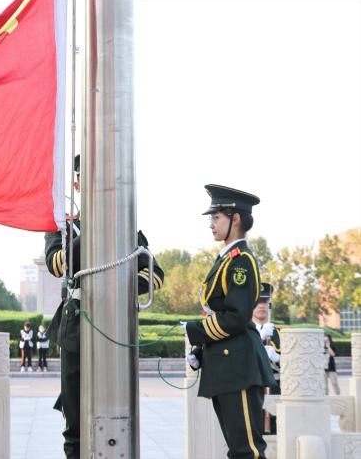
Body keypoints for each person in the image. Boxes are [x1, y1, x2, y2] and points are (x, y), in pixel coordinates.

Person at [44, 154, 164, 459]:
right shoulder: (64, 226)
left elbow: (154, 274)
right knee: (74, 416)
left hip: (115, 324)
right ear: (77, 185)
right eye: (87, 179)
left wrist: (120, 288)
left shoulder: (126, 225)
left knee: (117, 410)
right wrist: (93, 230)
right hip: (76, 327)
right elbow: (57, 265)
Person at [183, 184, 276, 459]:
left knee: (247, 451)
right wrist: (201, 351)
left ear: (235, 219)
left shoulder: (241, 261)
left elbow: (236, 317)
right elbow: (220, 313)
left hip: (239, 367)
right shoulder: (226, 259)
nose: (211, 224)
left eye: (216, 217)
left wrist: (196, 330)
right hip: (228, 365)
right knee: (237, 451)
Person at [252, 282, 280, 434]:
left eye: (265, 302)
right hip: (252, 386)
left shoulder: (279, 332)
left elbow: (292, 364)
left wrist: (277, 359)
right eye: (257, 302)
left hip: (275, 387)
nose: (261, 306)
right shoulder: (243, 332)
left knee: (277, 431)